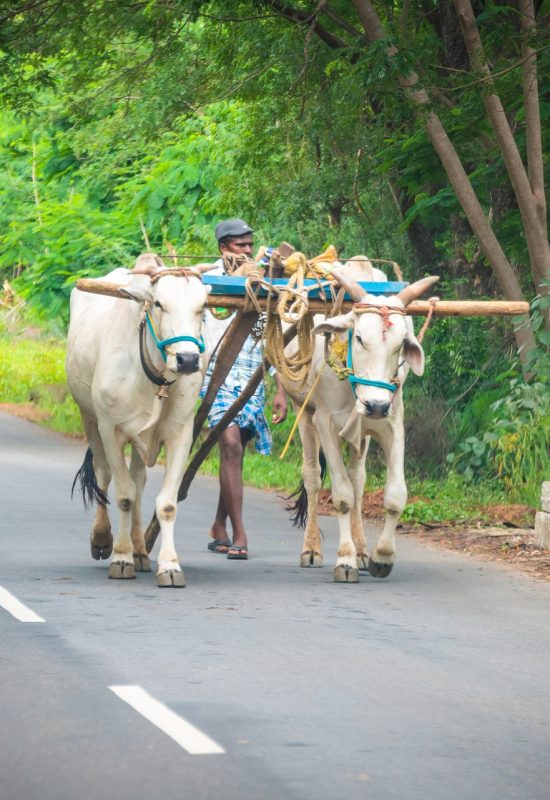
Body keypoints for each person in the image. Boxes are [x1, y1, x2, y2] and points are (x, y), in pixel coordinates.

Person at [202, 218, 288, 560]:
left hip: (253, 376)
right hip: (217, 377)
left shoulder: (266, 279)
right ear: (224, 249)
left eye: (251, 244)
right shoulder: (206, 281)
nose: (248, 250)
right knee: (231, 445)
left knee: (234, 453)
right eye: (240, 245)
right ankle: (239, 532)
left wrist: (280, 389)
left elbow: (274, 337)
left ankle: (218, 525)